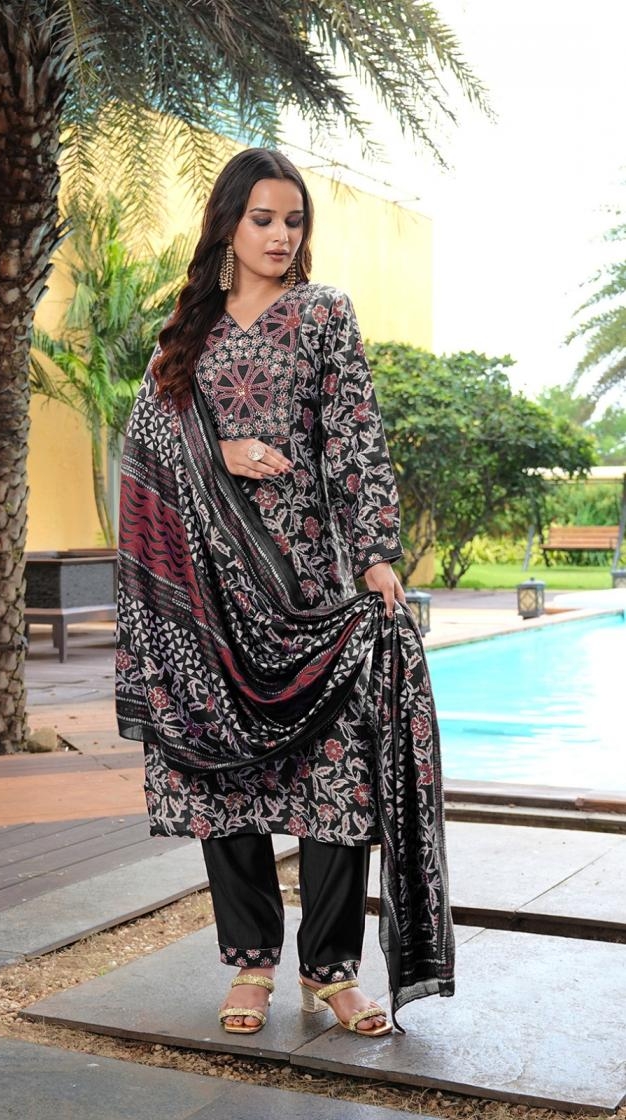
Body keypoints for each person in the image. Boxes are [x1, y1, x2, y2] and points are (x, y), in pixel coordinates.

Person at [116, 148, 454, 1038]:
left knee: (339, 779)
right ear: (228, 223)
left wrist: (376, 553)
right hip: (211, 601)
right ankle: (253, 964)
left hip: (311, 589)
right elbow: (143, 449)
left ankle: (331, 971)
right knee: (224, 778)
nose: (280, 236)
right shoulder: (183, 334)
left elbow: (354, 436)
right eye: (262, 219)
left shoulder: (322, 314)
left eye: (293, 221)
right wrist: (216, 455)